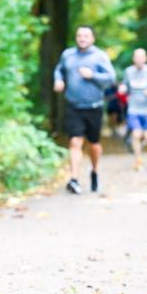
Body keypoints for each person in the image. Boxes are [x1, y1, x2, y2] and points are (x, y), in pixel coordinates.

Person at [53, 26, 116, 193]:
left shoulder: (100, 56)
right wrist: (58, 80)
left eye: (86, 36)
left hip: (94, 106)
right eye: (79, 35)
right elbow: (59, 70)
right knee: (75, 141)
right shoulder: (68, 55)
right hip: (73, 106)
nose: (82, 38)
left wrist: (92, 75)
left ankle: (94, 172)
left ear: (92, 38)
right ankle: (74, 179)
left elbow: (111, 78)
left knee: (94, 145)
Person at [119, 48, 147, 170]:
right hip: (133, 109)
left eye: (141, 57)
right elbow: (125, 86)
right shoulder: (128, 71)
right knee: (136, 134)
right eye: (136, 57)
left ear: (145, 58)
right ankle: (138, 160)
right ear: (133, 59)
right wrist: (122, 89)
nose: (139, 59)